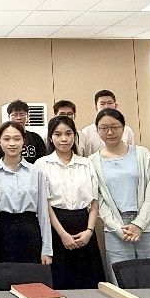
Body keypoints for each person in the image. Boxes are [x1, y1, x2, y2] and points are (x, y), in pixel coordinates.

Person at [91, 108, 150, 284]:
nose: (110, 132)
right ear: (97, 130)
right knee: (122, 283)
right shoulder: (92, 162)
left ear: (123, 128)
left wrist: (139, 224)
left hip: (148, 226)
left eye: (115, 127)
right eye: (104, 128)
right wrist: (117, 228)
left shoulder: (143, 154)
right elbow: (98, 200)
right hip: (116, 229)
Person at [36, 116, 105, 289]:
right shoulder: (42, 164)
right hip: (55, 226)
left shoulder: (86, 163)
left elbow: (94, 201)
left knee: (88, 282)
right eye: (58, 134)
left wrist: (89, 231)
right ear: (50, 137)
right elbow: (44, 204)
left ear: (75, 135)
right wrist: (62, 234)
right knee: (59, 281)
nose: (64, 139)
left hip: (84, 224)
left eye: (68, 134)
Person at [0, 121, 52, 265]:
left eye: (17, 139)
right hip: (2, 231)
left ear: (24, 141)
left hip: (30, 230)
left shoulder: (36, 172)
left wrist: (47, 249)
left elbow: (43, 212)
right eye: (6, 139)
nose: (12, 143)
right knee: (4, 276)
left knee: (30, 276)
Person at [0, 99, 47, 164]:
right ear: (9, 117)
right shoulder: (3, 138)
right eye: (15, 115)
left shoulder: (36, 138)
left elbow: (43, 161)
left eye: (22, 114)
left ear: (27, 116)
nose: (19, 118)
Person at [79, 90, 135, 157]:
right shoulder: (86, 131)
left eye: (110, 103)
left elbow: (131, 152)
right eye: (102, 104)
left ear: (116, 106)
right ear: (96, 107)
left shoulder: (127, 130)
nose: (106, 107)